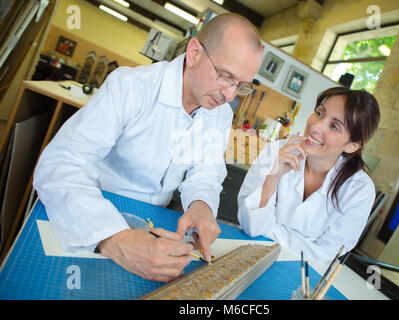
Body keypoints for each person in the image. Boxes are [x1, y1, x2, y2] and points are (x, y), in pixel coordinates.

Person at [33, 13, 263, 282]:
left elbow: (206, 175)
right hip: (92, 209)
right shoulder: (131, 87)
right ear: (194, 52)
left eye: (241, 85)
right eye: (225, 76)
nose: (230, 95)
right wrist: (114, 238)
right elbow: (59, 164)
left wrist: (201, 205)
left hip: (154, 221)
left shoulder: (220, 115)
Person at [237, 87, 380, 261]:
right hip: (250, 255)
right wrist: (273, 177)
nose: (315, 127)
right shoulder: (275, 151)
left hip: (302, 274)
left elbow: (327, 254)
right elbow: (248, 223)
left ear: (352, 146)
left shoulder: (359, 190)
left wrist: (268, 228)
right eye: (319, 113)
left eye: (334, 126)